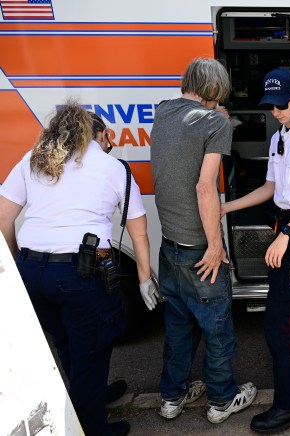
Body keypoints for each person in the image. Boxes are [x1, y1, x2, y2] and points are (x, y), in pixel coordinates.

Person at [0, 101, 158, 436]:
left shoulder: (34, 160)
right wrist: (145, 277)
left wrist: (17, 262)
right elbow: (138, 230)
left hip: (33, 269)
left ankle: (89, 397)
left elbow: (3, 217)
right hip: (81, 271)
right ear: (98, 134)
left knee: (64, 340)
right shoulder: (112, 167)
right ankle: (92, 428)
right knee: (91, 348)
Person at [220, 67, 290, 433]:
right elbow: (271, 187)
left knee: (277, 322)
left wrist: (286, 233)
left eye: (281, 105)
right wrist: (225, 208)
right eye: (269, 106)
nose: (275, 112)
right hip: (287, 227)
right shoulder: (280, 136)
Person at [150, 57, 256, 423]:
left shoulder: (163, 112)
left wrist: (214, 115)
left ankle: (171, 397)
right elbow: (204, 185)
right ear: (215, 91)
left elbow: (187, 125)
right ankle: (221, 401)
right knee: (217, 331)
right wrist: (215, 245)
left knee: (178, 330)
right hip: (199, 250)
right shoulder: (214, 123)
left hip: (169, 247)